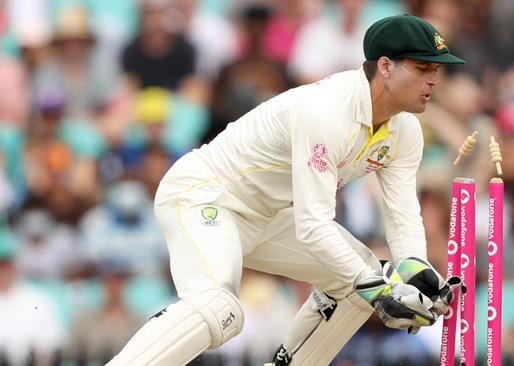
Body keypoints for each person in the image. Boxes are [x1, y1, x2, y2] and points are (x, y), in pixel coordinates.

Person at [107, 14, 466, 366]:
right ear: (386, 66)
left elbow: (403, 214)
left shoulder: (406, 131)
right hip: (208, 195)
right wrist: (379, 288)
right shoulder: (327, 111)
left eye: (436, 69)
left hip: (269, 215)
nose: (435, 79)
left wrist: (417, 273)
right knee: (221, 309)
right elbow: (313, 225)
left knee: (359, 281)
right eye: (423, 69)